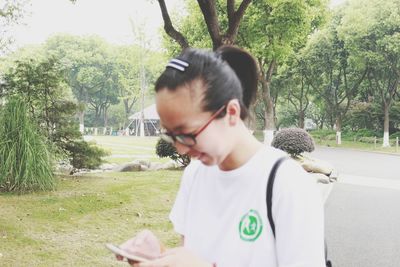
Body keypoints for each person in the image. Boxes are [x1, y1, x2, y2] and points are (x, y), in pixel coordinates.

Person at [118, 45, 325, 267]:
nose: (180, 149)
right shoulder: (195, 174)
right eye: (170, 135)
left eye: (187, 134)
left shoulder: (288, 185)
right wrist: (158, 255)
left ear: (232, 113)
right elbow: (195, 256)